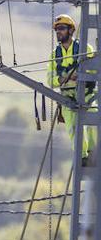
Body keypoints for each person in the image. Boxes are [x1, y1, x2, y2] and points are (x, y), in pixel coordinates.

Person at [47, 13, 98, 164]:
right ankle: (82, 157)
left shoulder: (84, 48)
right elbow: (50, 80)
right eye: (56, 30)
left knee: (92, 122)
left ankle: (93, 153)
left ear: (70, 30)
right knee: (73, 128)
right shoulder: (54, 55)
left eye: (61, 28)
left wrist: (82, 74)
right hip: (67, 98)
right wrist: (61, 79)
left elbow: (95, 71)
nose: (58, 32)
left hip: (87, 95)